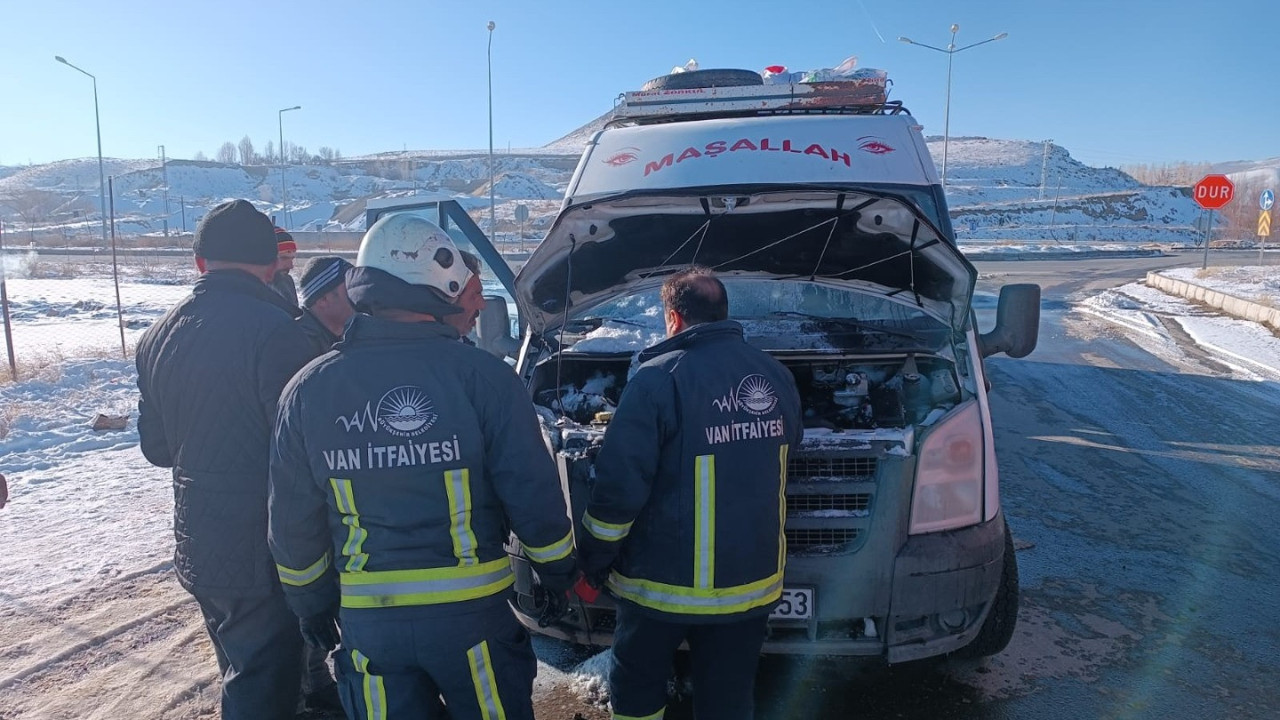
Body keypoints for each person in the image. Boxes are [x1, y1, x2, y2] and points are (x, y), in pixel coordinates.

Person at [267, 213, 577, 720]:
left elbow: (291, 522)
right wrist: (558, 572)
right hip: (473, 625)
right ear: (440, 284)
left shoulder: (308, 390)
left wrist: (310, 604)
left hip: (371, 630)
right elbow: (532, 493)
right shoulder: (484, 379)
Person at [578, 267, 803, 720]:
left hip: (659, 592)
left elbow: (618, 494)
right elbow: (786, 447)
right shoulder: (775, 376)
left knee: (637, 691)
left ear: (674, 320)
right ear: (723, 314)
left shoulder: (657, 380)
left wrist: (592, 565)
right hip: (750, 589)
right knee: (729, 699)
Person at [135, 199, 316, 720]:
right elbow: (304, 451)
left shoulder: (156, 336)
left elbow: (157, 449)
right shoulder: (279, 332)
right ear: (268, 264)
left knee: (243, 669)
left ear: (199, 263)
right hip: (264, 546)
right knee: (264, 685)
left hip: (198, 542)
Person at [296, 255, 356, 355]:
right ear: (323, 300)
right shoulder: (295, 343)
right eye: (350, 290)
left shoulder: (355, 334)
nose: (358, 296)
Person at [272, 227, 300, 308]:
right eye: (284, 258)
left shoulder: (287, 281)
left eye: (292, 259)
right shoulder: (248, 288)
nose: (291, 266)